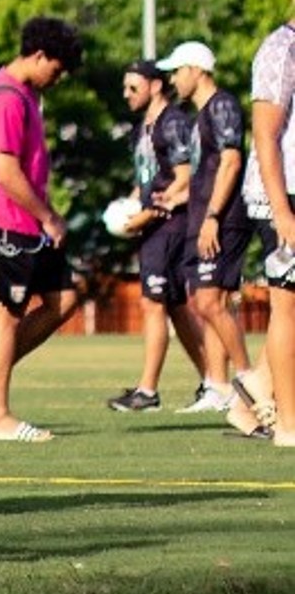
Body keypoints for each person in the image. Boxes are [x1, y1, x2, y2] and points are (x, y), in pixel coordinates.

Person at [0, 17, 84, 441]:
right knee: (6, 315)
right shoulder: (6, 98)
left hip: (29, 222)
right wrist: (47, 215)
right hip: (8, 221)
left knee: (64, 300)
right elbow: (6, 171)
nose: (58, 80)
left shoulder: (25, 94)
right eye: (57, 70)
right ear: (38, 56)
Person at [105, 60, 205, 412]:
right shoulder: (141, 129)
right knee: (177, 307)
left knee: (153, 303)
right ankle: (214, 382)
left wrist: (144, 216)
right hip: (152, 225)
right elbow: (145, 179)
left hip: (169, 225)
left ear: (155, 86)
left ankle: (148, 392)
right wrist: (128, 208)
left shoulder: (173, 123)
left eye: (133, 87)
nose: (126, 94)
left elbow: (183, 178)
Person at [172, 40, 252, 411]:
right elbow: (203, 170)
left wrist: (213, 217)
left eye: (177, 71)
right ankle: (218, 385)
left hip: (224, 218)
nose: (173, 79)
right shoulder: (198, 116)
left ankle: (250, 381)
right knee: (208, 302)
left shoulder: (221, 105)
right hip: (203, 216)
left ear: (195, 70)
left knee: (209, 301)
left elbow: (232, 161)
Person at [243, 0, 295, 446]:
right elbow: (266, 135)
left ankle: (257, 391)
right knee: (288, 307)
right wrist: (282, 211)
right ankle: (289, 426)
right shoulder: (281, 49)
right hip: (282, 195)